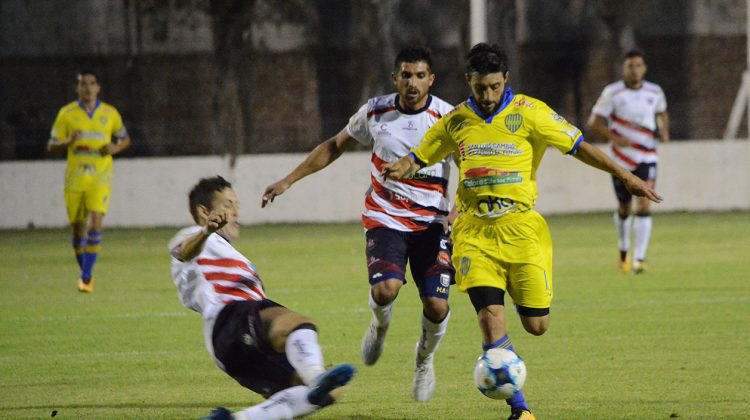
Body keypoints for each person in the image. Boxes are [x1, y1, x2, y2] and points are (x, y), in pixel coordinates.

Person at [382, 43, 662, 420]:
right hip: (474, 233)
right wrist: (403, 165)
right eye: (481, 87)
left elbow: (579, 145)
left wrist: (626, 175)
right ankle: (520, 410)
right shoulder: (456, 121)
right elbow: (420, 155)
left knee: (536, 325)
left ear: (506, 80)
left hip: (522, 231)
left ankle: (512, 326)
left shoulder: (532, 113)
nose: (488, 95)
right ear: (469, 81)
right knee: (489, 317)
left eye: (495, 86)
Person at [261, 46, 455, 402]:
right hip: (386, 216)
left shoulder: (449, 118)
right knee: (386, 290)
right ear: (395, 78)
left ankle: (424, 359)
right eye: (406, 75)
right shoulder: (376, 111)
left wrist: (456, 214)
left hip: (432, 223)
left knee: (437, 306)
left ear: (431, 79)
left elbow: (469, 166)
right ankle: (380, 325)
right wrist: (289, 179)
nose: (413, 83)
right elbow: (334, 145)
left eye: (420, 76)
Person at [169, 176, 355, 420]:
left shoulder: (228, 251)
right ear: (204, 211)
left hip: (229, 349)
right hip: (231, 317)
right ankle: (315, 374)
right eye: (227, 204)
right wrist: (206, 231)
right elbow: (183, 252)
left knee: (326, 394)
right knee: (295, 323)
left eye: (237, 206)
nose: (235, 213)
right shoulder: (194, 236)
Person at [48, 70, 132, 293]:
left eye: (91, 83)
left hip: (100, 176)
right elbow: (51, 145)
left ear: (98, 88)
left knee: (95, 222)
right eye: (83, 84)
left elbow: (124, 138)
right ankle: (85, 272)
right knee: (78, 230)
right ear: (77, 88)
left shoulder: (109, 113)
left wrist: (115, 147)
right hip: (75, 178)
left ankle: (86, 277)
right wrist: (67, 141)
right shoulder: (66, 114)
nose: (87, 87)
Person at [587, 50, 670, 274]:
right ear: (623, 69)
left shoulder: (655, 91)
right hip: (621, 161)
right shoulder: (612, 92)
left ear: (644, 68)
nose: (635, 70)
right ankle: (624, 248)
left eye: (639, 65)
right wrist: (615, 138)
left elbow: (662, 113)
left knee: (644, 203)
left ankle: (639, 259)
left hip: (647, 156)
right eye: (630, 66)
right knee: (625, 207)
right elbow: (593, 122)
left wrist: (664, 131)